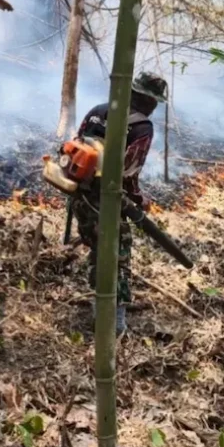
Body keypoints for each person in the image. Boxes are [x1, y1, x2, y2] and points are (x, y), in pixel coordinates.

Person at [72, 71, 168, 334]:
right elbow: (128, 173)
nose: (155, 106)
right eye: (154, 101)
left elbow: (77, 145)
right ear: (147, 99)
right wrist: (140, 199)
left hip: (81, 196)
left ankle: (100, 312)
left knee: (100, 250)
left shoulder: (98, 111)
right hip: (108, 201)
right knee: (118, 256)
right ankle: (114, 325)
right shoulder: (142, 127)